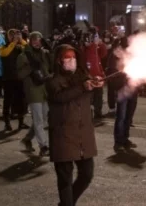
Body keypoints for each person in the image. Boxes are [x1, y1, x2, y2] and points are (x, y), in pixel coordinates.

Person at [47, 44, 100, 206]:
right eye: (67, 57)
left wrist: (95, 84)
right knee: (65, 180)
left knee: (87, 174)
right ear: (59, 60)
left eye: (73, 57)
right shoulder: (52, 80)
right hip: (62, 134)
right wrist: (83, 87)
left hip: (83, 135)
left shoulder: (83, 76)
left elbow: (87, 93)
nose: (71, 60)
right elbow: (60, 97)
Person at [17, 32, 51, 156]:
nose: (37, 42)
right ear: (30, 41)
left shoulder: (43, 54)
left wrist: (50, 49)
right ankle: (44, 146)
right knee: (38, 120)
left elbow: (50, 67)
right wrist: (30, 67)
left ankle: (27, 139)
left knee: (43, 119)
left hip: (44, 90)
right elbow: (19, 75)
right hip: (32, 90)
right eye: (34, 40)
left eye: (39, 40)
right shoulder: (23, 55)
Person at [107, 37, 138, 152]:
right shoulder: (115, 55)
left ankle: (125, 139)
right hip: (122, 89)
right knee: (121, 117)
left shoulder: (133, 55)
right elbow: (111, 72)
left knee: (129, 116)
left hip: (133, 88)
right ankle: (118, 141)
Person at [0, 30, 28, 132]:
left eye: (16, 35)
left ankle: (21, 122)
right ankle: (7, 123)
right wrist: (14, 43)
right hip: (8, 78)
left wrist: (22, 41)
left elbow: (30, 50)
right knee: (8, 100)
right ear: (8, 37)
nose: (14, 37)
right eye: (12, 35)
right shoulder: (4, 47)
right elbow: (5, 54)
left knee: (22, 101)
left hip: (20, 78)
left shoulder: (21, 47)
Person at [81, 27, 107, 120]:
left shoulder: (96, 48)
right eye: (95, 36)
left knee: (98, 96)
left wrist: (101, 43)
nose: (96, 38)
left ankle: (98, 113)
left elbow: (103, 54)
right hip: (90, 76)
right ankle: (88, 114)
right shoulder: (88, 48)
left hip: (98, 75)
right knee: (89, 97)